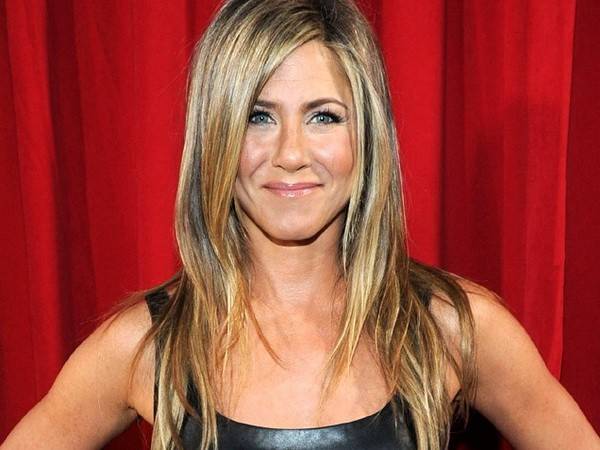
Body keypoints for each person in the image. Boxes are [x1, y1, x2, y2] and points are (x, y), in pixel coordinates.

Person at [3, 0, 599, 449]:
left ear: (366, 138)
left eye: (323, 117)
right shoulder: (147, 346)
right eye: (258, 116)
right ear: (214, 138)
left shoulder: (455, 328)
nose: (290, 153)